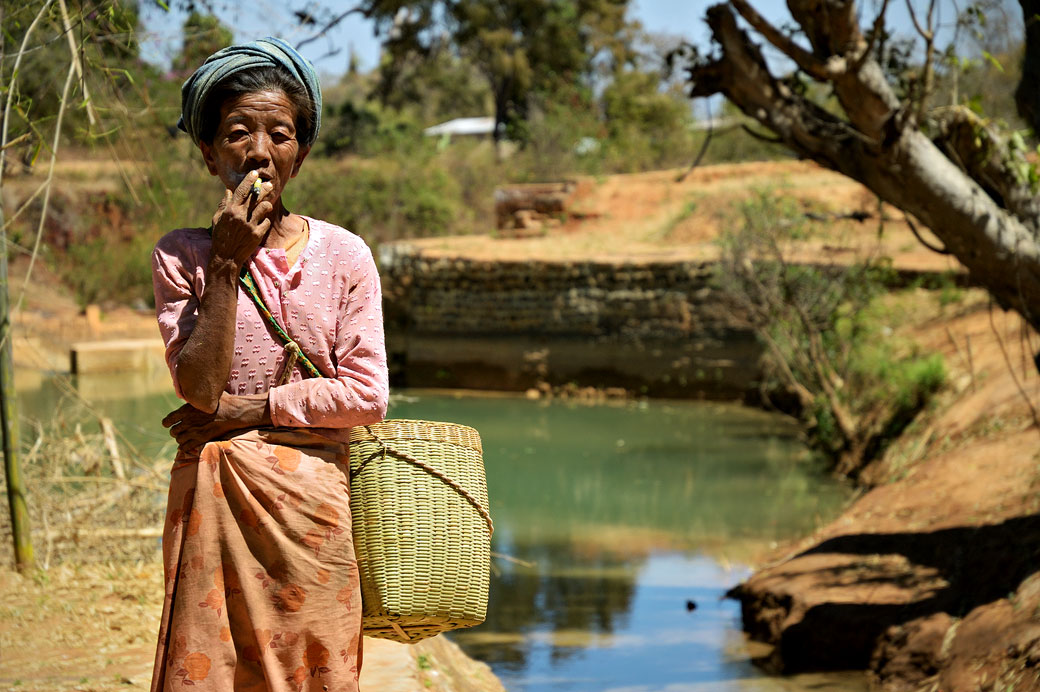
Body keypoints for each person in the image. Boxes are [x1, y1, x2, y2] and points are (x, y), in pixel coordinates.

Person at [149, 37, 388, 692]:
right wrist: (226, 262)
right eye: (236, 133)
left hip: (313, 520)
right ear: (208, 153)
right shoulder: (183, 257)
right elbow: (197, 391)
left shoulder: (345, 256)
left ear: (300, 153)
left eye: (279, 134)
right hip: (211, 512)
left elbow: (367, 397)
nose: (258, 151)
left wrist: (248, 413)